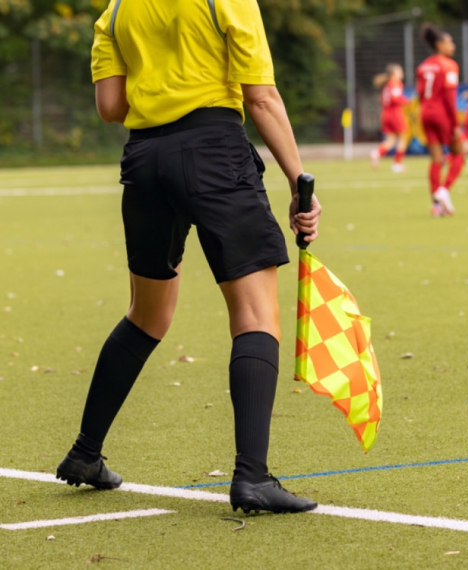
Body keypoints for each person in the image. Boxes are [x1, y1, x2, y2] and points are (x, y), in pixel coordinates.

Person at [56, 0, 322, 516]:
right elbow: (261, 97)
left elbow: (110, 106)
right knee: (255, 313)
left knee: (147, 315)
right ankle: (252, 477)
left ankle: (85, 453)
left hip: (145, 160)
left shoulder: (112, 12)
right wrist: (298, 182)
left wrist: (160, 84)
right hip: (214, 150)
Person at [416, 23, 464, 217]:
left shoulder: (423, 66)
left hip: (425, 113)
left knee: (436, 159)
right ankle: (443, 190)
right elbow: (449, 99)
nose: (453, 45)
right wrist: (455, 124)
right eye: (450, 42)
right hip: (442, 114)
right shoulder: (449, 65)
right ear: (440, 44)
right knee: (459, 154)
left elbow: (420, 93)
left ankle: (436, 206)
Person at [370, 64, 409, 173]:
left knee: (391, 140)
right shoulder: (395, 83)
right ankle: (397, 164)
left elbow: (383, 99)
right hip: (395, 113)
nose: (402, 73)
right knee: (403, 138)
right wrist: (406, 101)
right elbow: (395, 99)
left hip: (385, 113)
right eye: (399, 71)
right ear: (393, 73)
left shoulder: (387, 85)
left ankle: (376, 153)